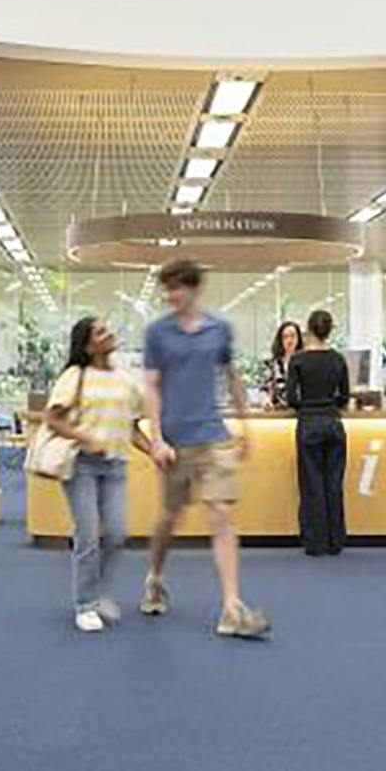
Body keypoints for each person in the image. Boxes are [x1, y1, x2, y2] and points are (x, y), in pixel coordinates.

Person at [139, 259, 271, 639]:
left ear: (194, 288)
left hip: (214, 436)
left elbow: (231, 377)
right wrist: (158, 438)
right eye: (166, 289)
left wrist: (245, 425)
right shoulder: (157, 333)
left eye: (176, 287)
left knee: (221, 515)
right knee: (170, 517)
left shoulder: (219, 330)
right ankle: (155, 576)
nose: (170, 296)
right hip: (175, 442)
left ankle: (231, 606)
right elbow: (150, 386)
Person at [45, 315, 151, 632]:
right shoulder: (74, 376)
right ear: (89, 344)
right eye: (101, 331)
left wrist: (155, 450)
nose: (110, 333)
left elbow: (132, 428)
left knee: (117, 534)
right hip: (81, 466)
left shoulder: (126, 379)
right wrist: (86, 438)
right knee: (88, 536)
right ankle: (85, 604)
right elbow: (54, 420)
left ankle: (98, 589)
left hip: (116, 466)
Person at [285, 309, 351, 556]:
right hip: (334, 424)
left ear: (309, 331)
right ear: (330, 330)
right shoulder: (338, 360)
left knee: (312, 484)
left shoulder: (299, 360)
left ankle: (316, 542)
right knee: (334, 482)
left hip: (309, 424)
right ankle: (336, 541)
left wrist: (307, 406)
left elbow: (292, 398)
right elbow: (344, 396)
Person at [262, 321, 302, 409]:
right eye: (285, 337)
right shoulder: (272, 363)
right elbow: (266, 387)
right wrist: (267, 399)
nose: (289, 340)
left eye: (292, 336)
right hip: (278, 411)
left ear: (298, 338)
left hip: (301, 411)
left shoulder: (306, 361)